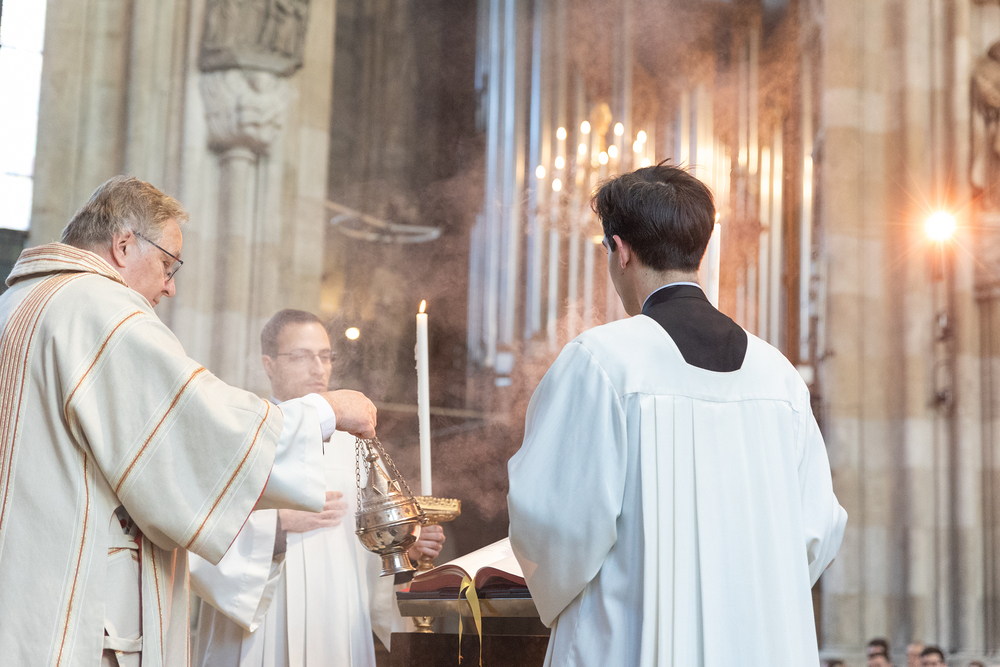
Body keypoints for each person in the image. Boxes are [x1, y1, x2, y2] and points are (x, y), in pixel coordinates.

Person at [0, 176, 377, 667]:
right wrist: (325, 410)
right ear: (123, 245)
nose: (170, 286)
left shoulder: (18, 305)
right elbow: (196, 436)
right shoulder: (99, 308)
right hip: (72, 623)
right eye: (167, 264)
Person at [507, 163, 848, 666]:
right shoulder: (779, 376)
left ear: (620, 251)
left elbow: (554, 523)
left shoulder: (602, 361)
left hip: (628, 645)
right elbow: (818, 529)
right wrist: (749, 595)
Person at [191, 309, 445, 667]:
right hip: (263, 627)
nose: (318, 368)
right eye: (302, 356)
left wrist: (403, 548)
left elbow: (368, 548)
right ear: (269, 364)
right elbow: (197, 527)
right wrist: (277, 525)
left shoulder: (356, 444)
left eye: (325, 356)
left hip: (337, 621)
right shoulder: (244, 435)